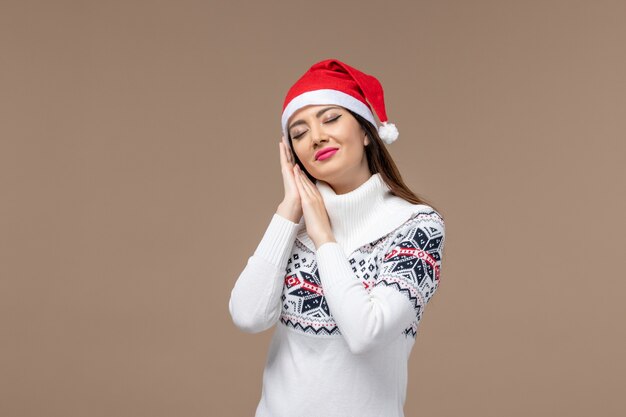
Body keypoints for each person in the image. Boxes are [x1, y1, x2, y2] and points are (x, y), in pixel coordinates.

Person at [228, 58, 446, 417]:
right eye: (299, 133)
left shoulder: (416, 227)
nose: (316, 136)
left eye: (330, 118)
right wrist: (289, 209)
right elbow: (248, 315)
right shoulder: (292, 232)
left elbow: (365, 332)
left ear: (365, 131)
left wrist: (324, 238)